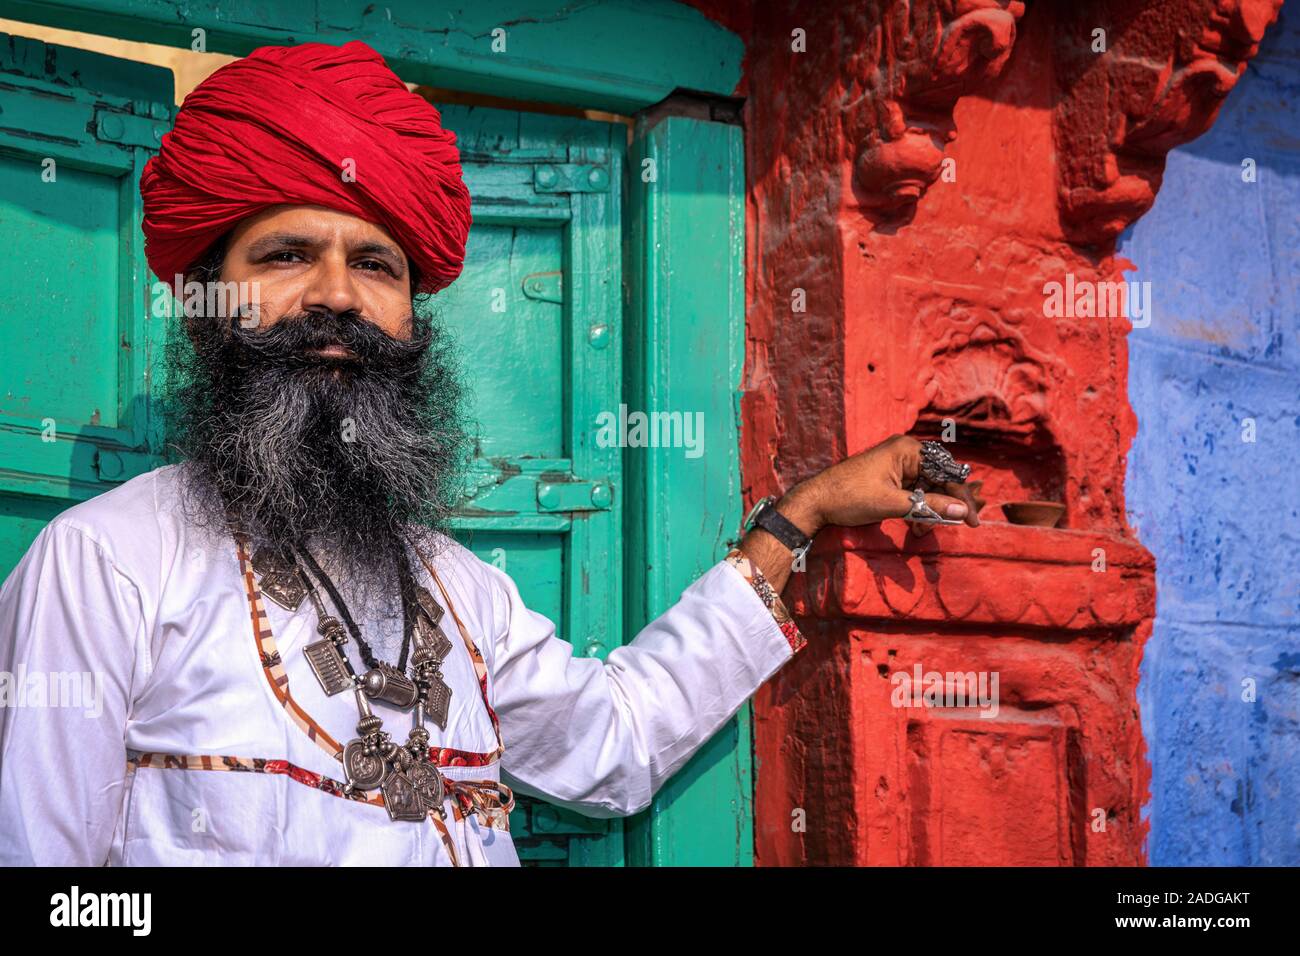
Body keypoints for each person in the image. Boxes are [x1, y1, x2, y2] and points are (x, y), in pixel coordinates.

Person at [0, 40, 981, 866]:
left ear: (411, 318)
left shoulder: (456, 591)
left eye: (374, 263)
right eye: (288, 254)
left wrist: (795, 516)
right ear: (208, 306)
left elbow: (616, 736)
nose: (338, 295)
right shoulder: (110, 564)